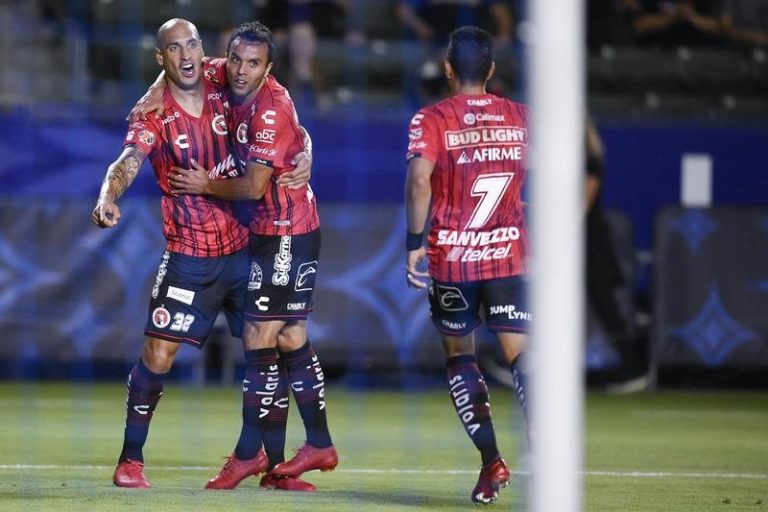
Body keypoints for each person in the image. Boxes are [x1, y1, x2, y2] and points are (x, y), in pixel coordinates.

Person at [94, 18, 311, 491]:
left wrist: (307, 147)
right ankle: (130, 460)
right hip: (190, 256)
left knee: (270, 352)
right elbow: (127, 160)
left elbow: (281, 111)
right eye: (174, 49)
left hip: (247, 247)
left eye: (192, 43)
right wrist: (108, 196)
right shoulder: (151, 114)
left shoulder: (221, 75)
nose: (186, 55)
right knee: (158, 353)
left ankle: (273, 468)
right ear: (161, 58)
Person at [168, 20, 338, 489]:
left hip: (286, 231)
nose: (242, 71)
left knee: (260, 338)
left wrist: (204, 183)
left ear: (270, 68)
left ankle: (249, 453)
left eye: (255, 63)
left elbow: (254, 186)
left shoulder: (270, 108)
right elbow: (176, 70)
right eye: (237, 60)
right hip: (268, 232)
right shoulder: (220, 73)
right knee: (287, 339)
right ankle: (310, 449)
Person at [404, 26, 530, 505]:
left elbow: (420, 180)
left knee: (460, 356)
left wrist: (414, 242)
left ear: (448, 68)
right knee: (522, 355)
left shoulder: (432, 118)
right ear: (493, 70)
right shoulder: (521, 116)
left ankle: (491, 459)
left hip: (453, 259)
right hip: (508, 255)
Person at [584, 118, 648, 392]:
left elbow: (581, 207)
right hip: (577, 244)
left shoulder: (589, 160)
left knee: (606, 306)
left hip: (591, 245)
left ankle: (633, 368)